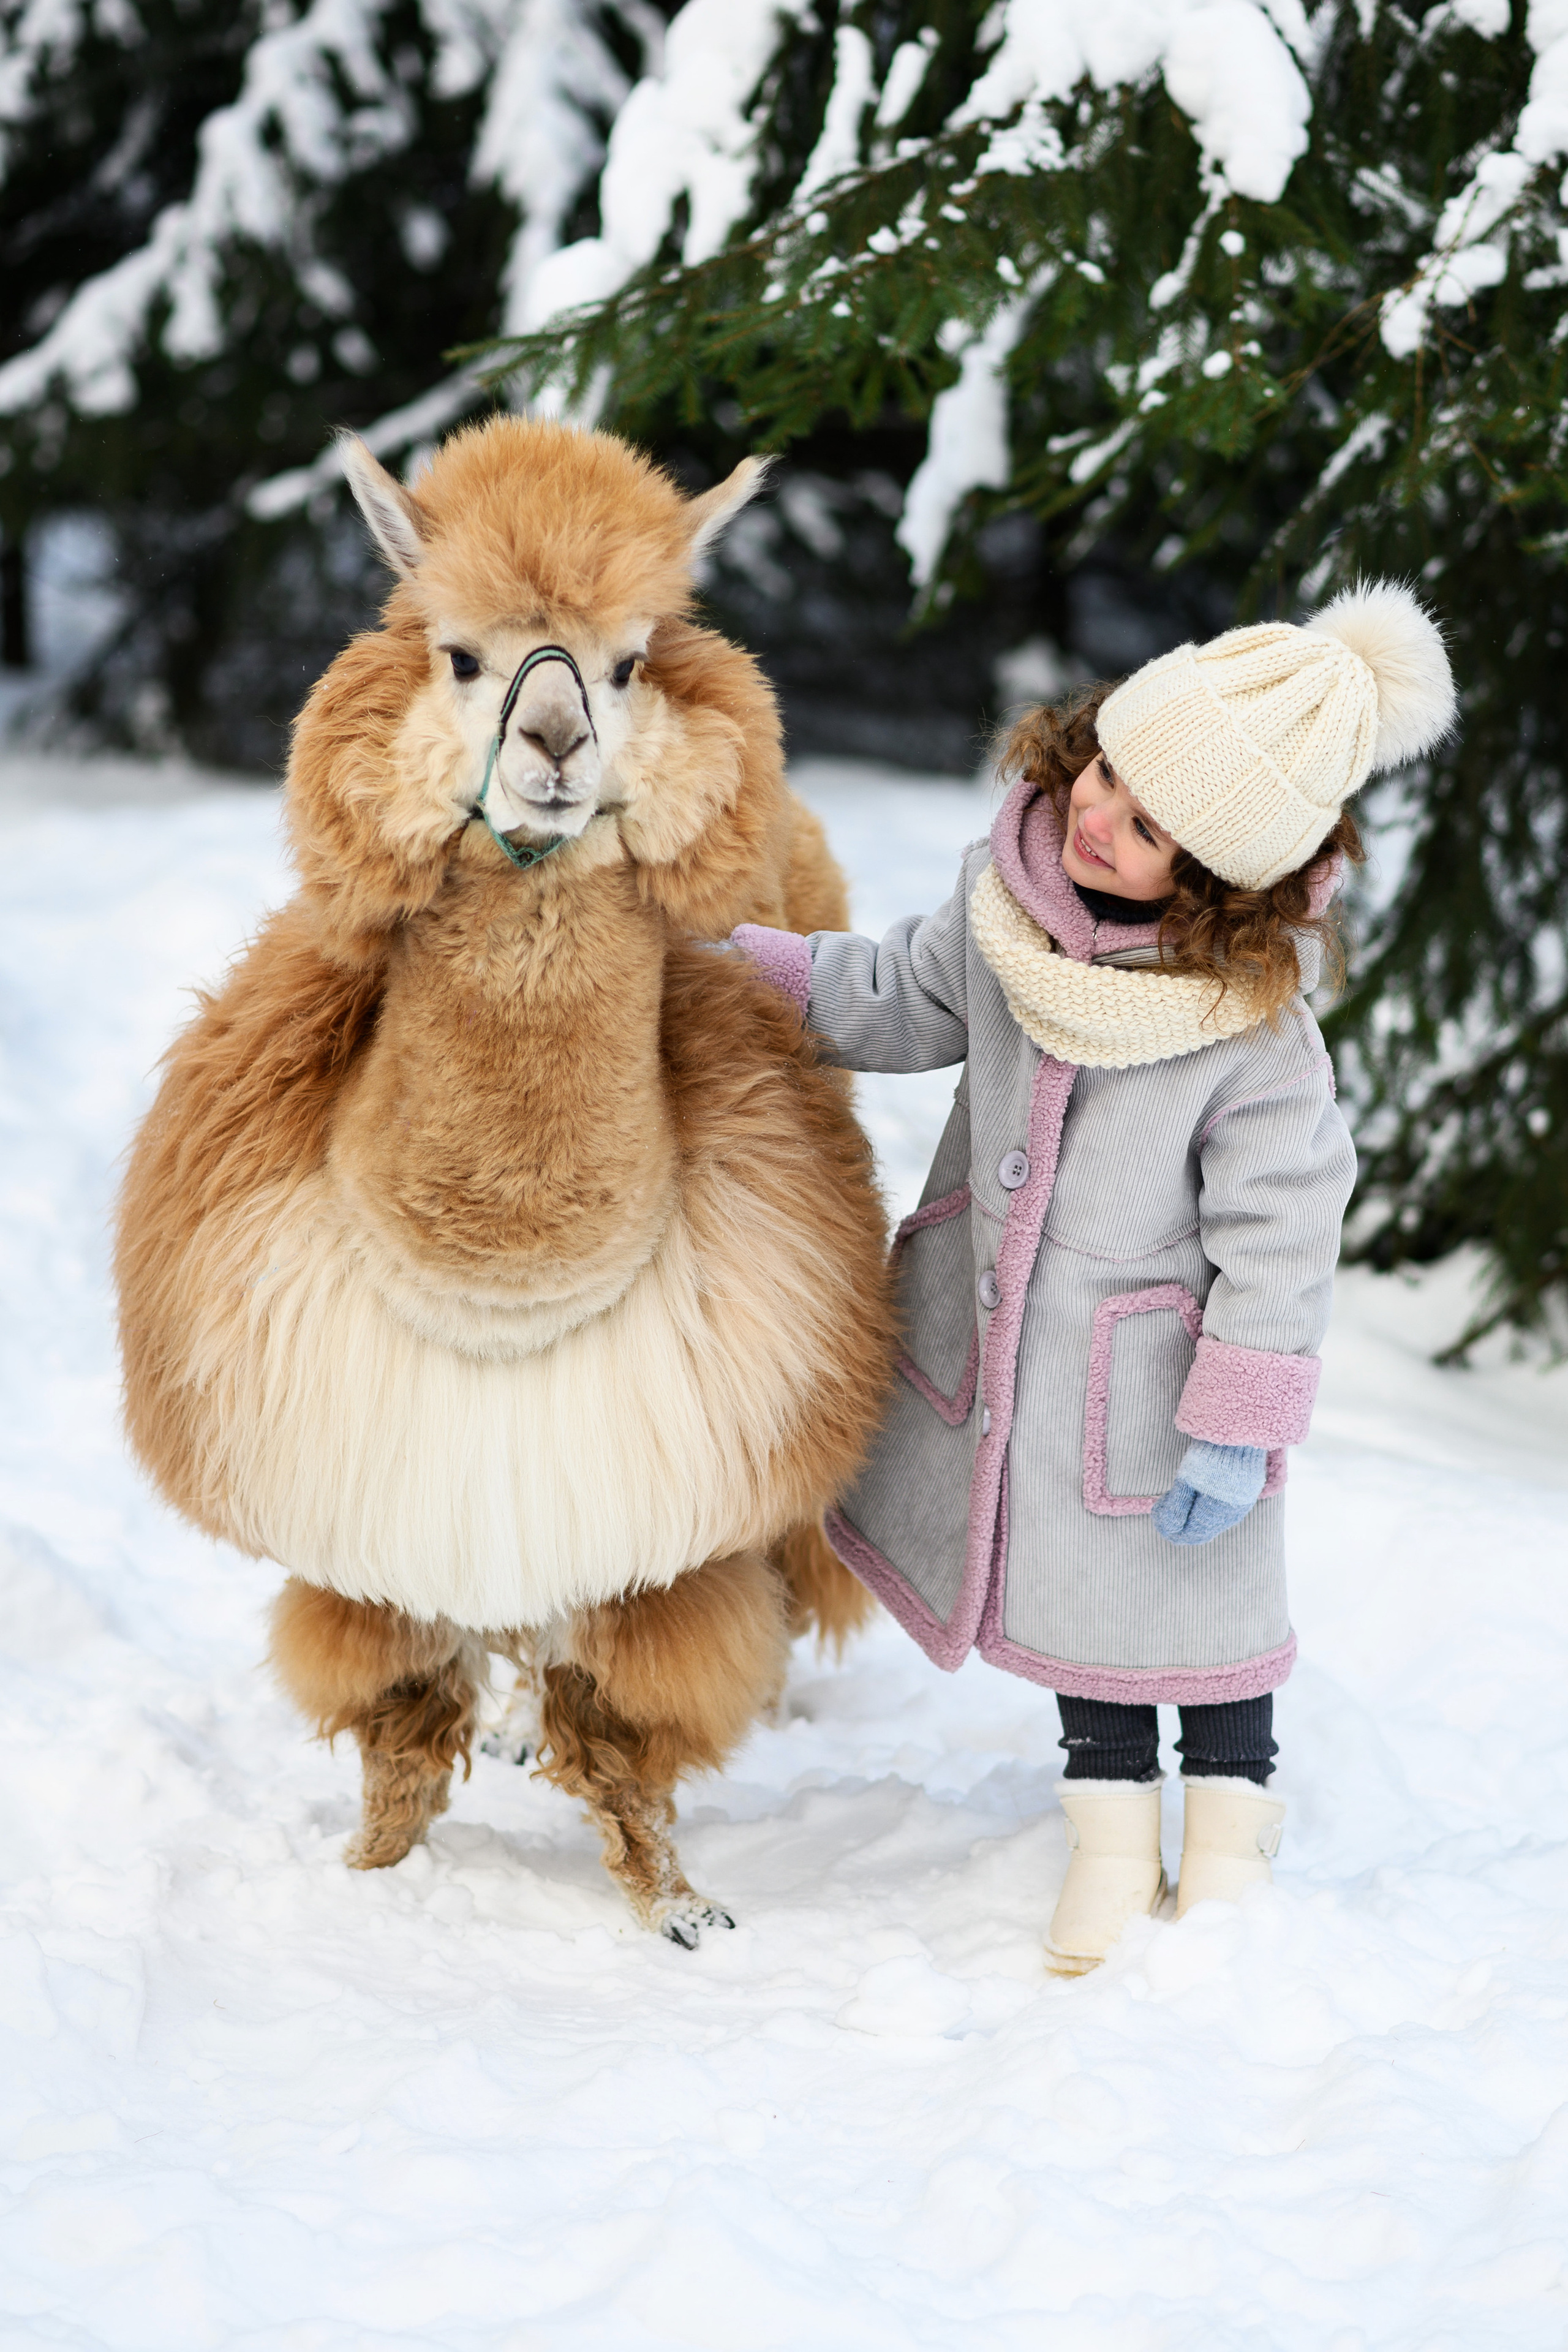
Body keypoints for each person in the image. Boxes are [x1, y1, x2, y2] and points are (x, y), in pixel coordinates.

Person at [734, 582, 1455, 1973]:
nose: (1101, 817)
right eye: (1111, 772)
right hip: (1022, 1358)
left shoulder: (1245, 1035)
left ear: (1218, 887)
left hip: (1160, 1386)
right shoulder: (1005, 908)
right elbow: (903, 995)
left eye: (1148, 830)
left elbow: (1283, 1227)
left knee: (1203, 1618)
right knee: (1073, 1612)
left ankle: (1231, 1830)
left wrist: (1239, 1415)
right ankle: (1111, 1838)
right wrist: (746, 978)